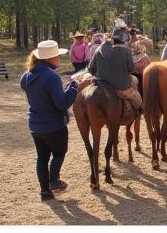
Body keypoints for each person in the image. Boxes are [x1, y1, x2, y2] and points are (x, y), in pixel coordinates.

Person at [19, 40, 79, 201]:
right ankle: (54, 180)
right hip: (53, 125)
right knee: (59, 153)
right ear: (49, 58)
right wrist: (74, 87)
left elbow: (31, 89)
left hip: (35, 124)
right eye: (57, 56)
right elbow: (62, 104)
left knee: (42, 157)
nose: (60, 59)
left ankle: (45, 192)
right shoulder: (51, 76)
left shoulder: (27, 75)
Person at [85, 20, 143, 114]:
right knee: (135, 84)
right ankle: (139, 110)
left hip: (101, 84)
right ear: (124, 38)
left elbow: (91, 69)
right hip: (121, 87)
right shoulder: (126, 51)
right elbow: (131, 69)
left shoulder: (99, 48)